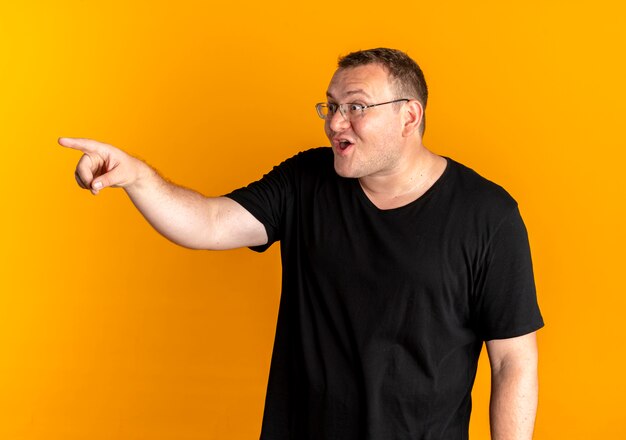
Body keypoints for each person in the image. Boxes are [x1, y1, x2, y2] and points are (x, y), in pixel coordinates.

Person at [61, 48, 543, 440]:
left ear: (408, 116)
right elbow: (207, 224)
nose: (336, 122)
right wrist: (138, 178)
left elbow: (513, 360)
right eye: (331, 106)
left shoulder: (488, 215)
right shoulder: (305, 181)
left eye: (356, 106)